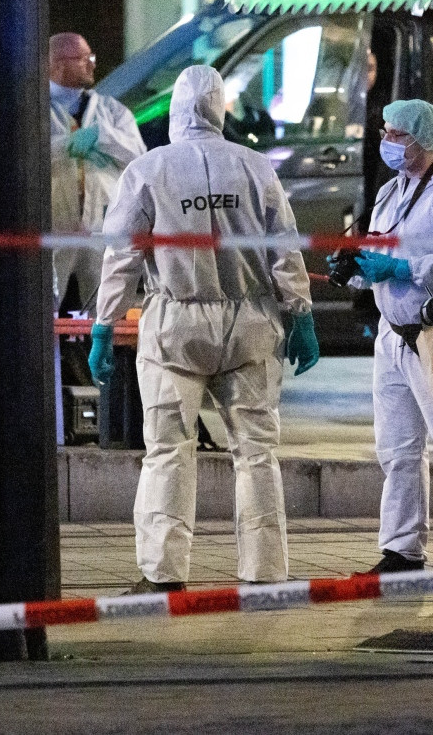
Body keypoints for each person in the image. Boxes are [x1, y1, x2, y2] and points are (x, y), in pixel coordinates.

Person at [88, 65, 320, 593]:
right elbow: (283, 248)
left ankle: (163, 574)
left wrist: (104, 325)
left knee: (168, 451)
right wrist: (301, 316)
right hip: (251, 324)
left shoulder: (149, 171)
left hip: (176, 327)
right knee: (257, 454)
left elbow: (122, 255)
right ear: (221, 108)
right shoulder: (255, 167)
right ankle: (265, 573)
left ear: (174, 110)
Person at [331, 98, 433, 573]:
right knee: (397, 450)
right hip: (391, 336)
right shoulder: (394, 188)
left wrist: (404, 267)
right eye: (385, 131)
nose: (387, 142)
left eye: (397, 134)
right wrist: (354, 270)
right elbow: (376, 253)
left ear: (425, 139)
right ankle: (401, 549)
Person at [49, 32, 147, 315]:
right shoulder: (33, 110)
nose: (92, 64)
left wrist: (102, 136)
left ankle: (101, 359)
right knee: (46, 311)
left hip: (100, 225)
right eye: (84, 59)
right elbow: (25, 153)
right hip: (55, 225)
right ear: (57, 65)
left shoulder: (111, 113)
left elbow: (138, 157)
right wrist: (67, 145)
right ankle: (52, 361)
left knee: (105, 307)